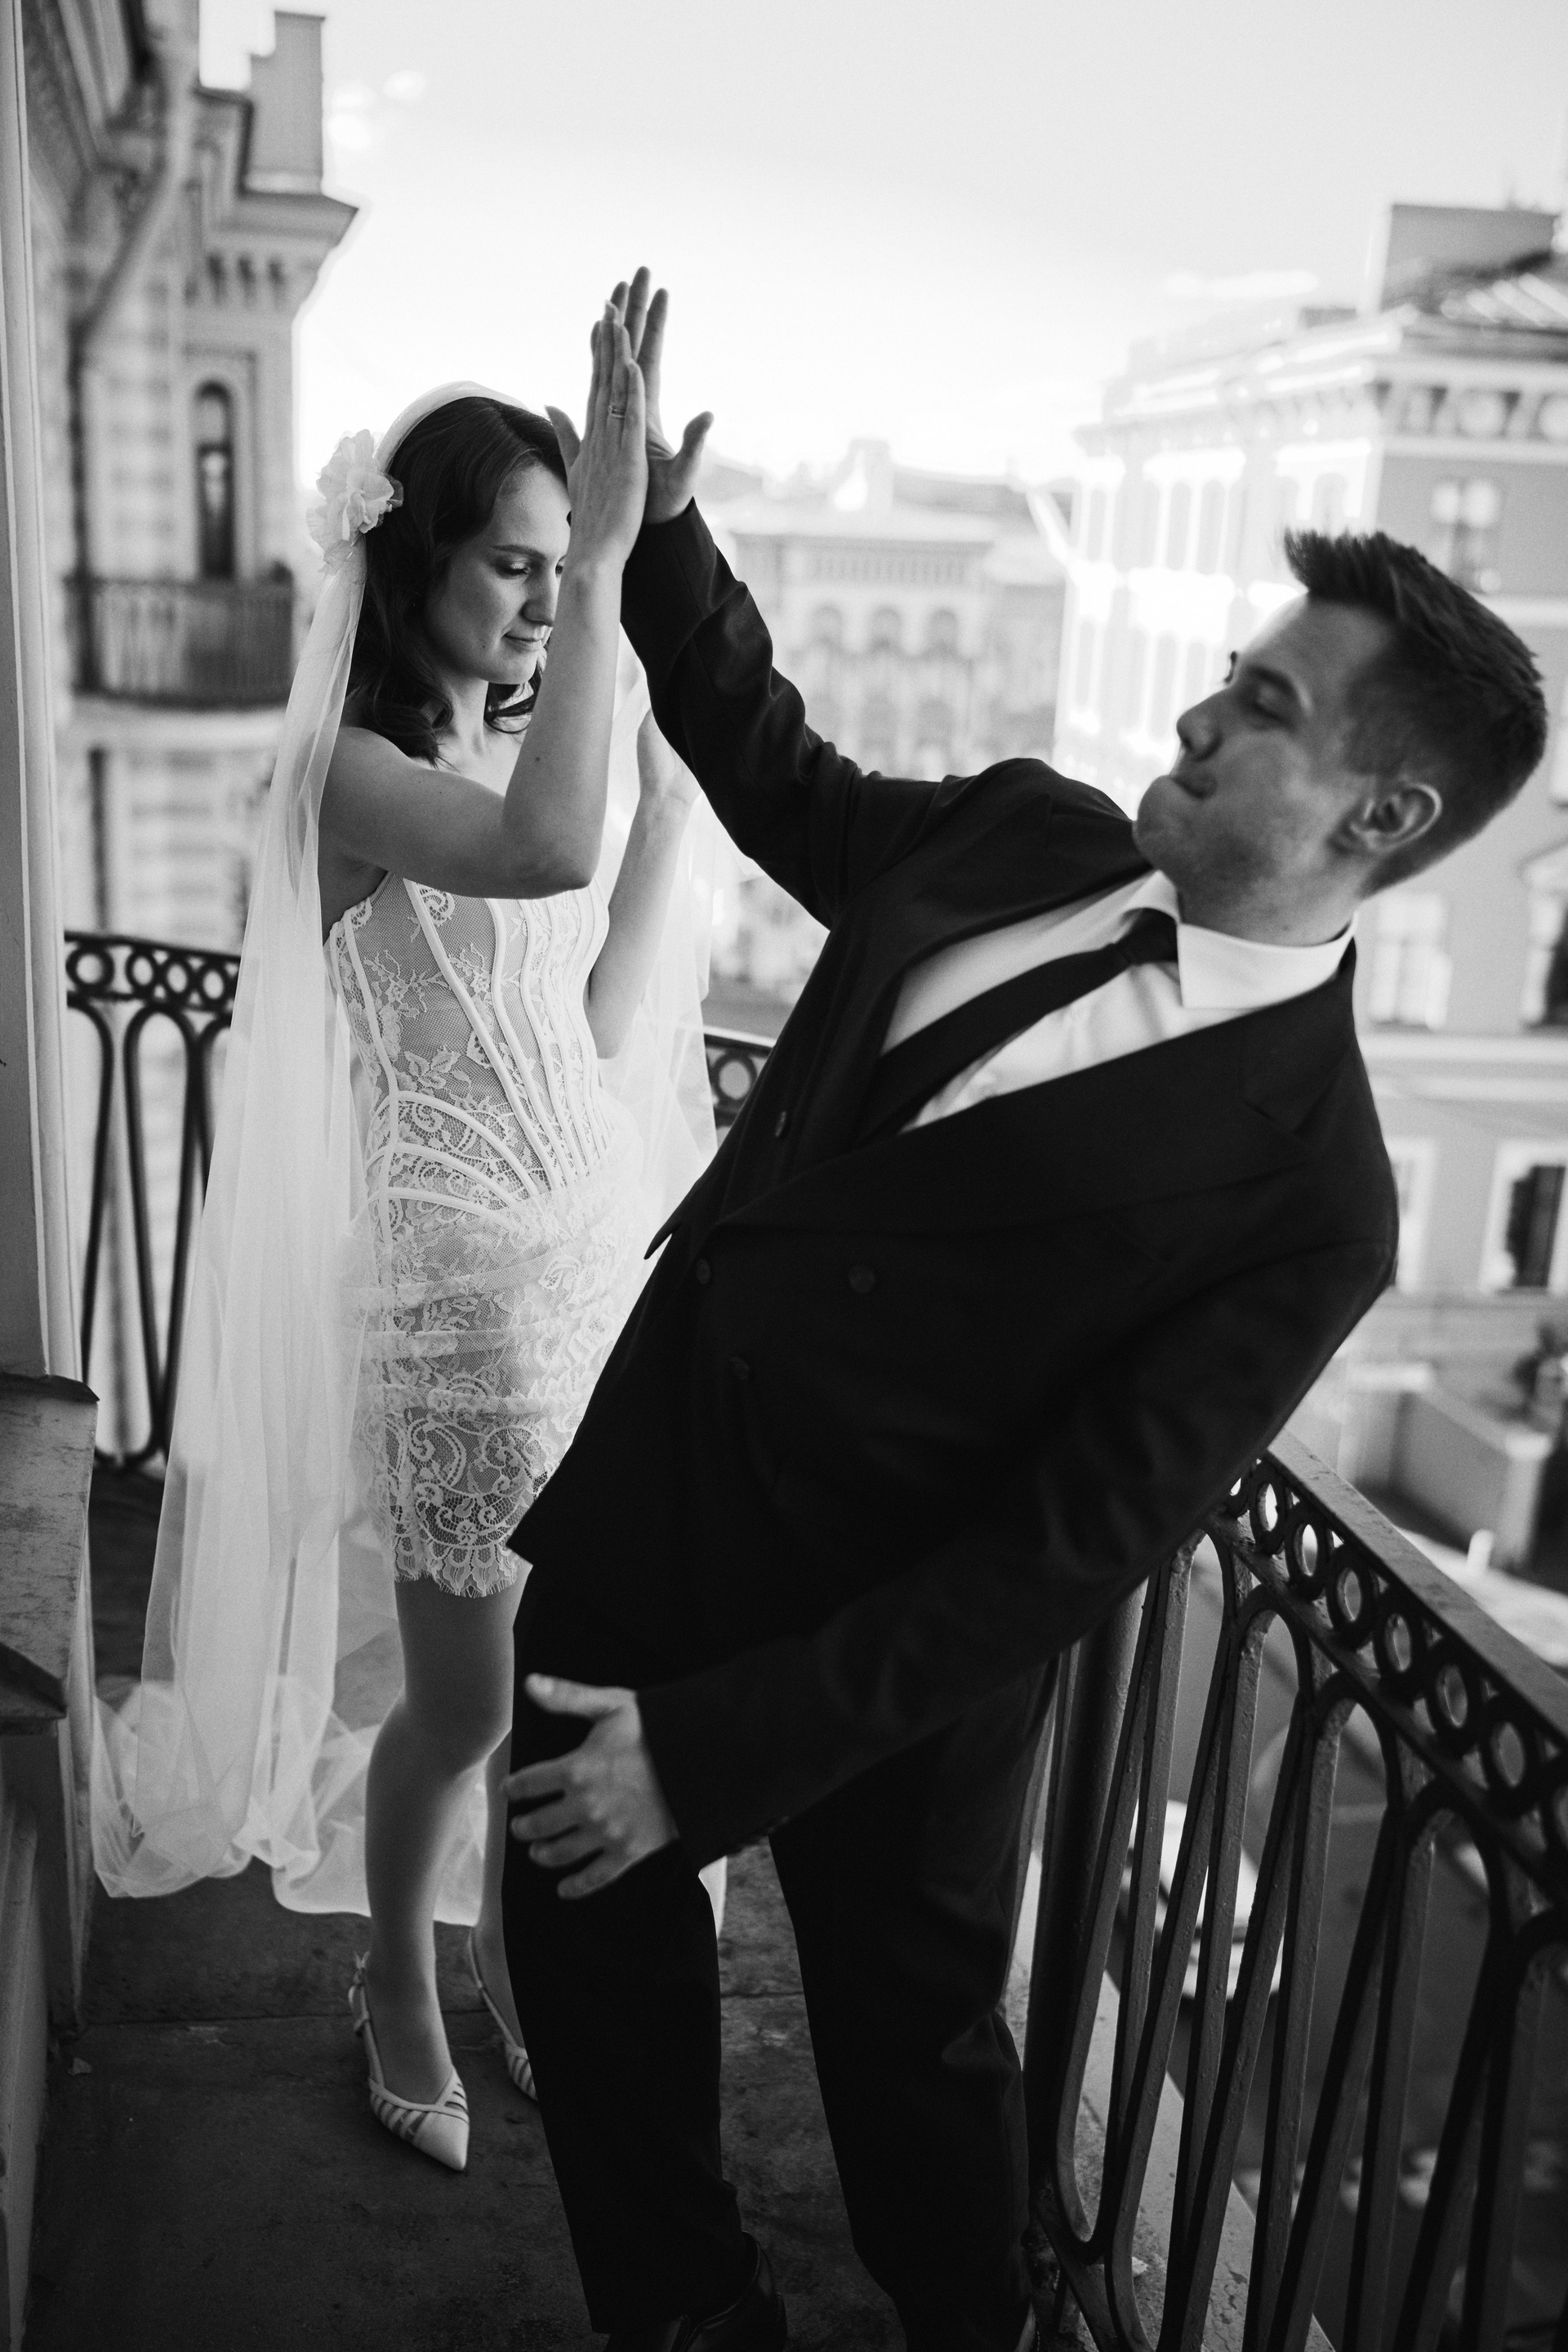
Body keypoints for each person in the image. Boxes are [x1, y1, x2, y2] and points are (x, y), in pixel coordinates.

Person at [497, 274, 1548, 2350]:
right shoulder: (1028, 832)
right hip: (660, 1501)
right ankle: (690, 2320)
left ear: (1382, 817)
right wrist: (657, 539)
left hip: (886, 1673)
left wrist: (715, 1753)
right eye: (1227, 677)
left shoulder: (1316, 1193)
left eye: (1264, 707)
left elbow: (1068, 1546)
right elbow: (786, 775)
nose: (1200, 716)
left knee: (912, 2069)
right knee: (584, 1952)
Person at [92, 325, 719, 2176]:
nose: (543, 602)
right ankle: (395, 1983)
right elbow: (541, 855)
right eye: (516, 563)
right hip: (451, 1304)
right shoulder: (346, 779)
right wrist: (619, 567)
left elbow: (587, 1023)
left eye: (558, 566)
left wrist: (680, 810)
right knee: (463, 1706)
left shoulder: (523, 752)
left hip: (589, 1270)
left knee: (562, 1688)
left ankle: (526, 1975)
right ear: (416, 558)